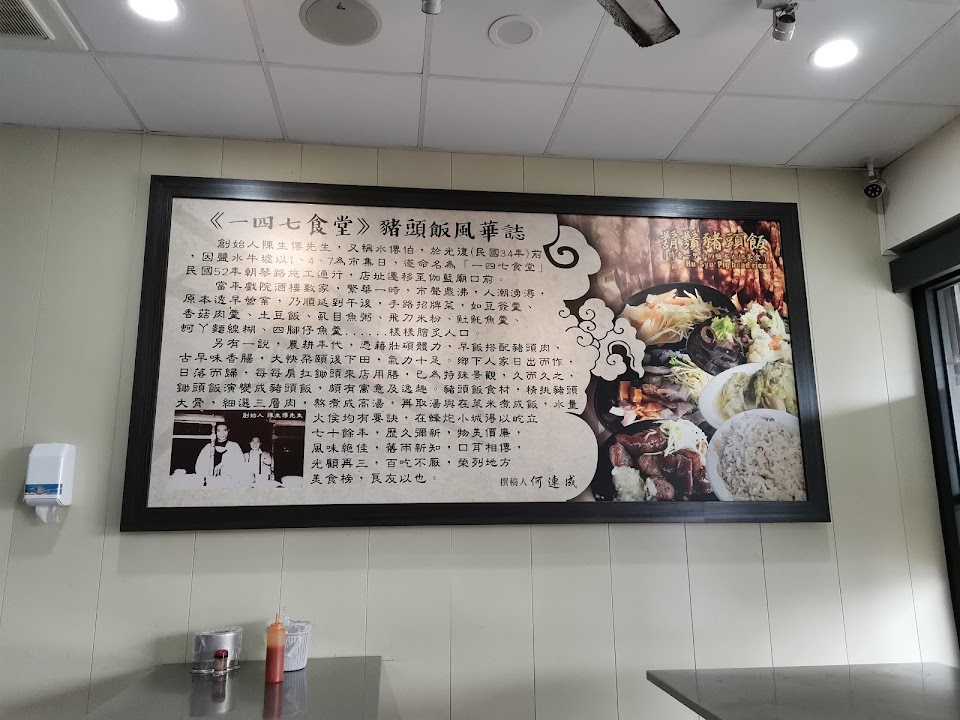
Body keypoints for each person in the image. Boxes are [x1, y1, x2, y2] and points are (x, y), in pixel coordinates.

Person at [195, 423, 245, 490]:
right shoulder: (208, 447)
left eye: (224, 430)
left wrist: (224, 465)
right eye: (219, 431)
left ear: (228, 431)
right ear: (215, 432)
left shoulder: (234, 446)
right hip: (210, 482)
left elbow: (240, 463)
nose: (222, 433)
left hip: (229, 483)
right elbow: (199, 465)